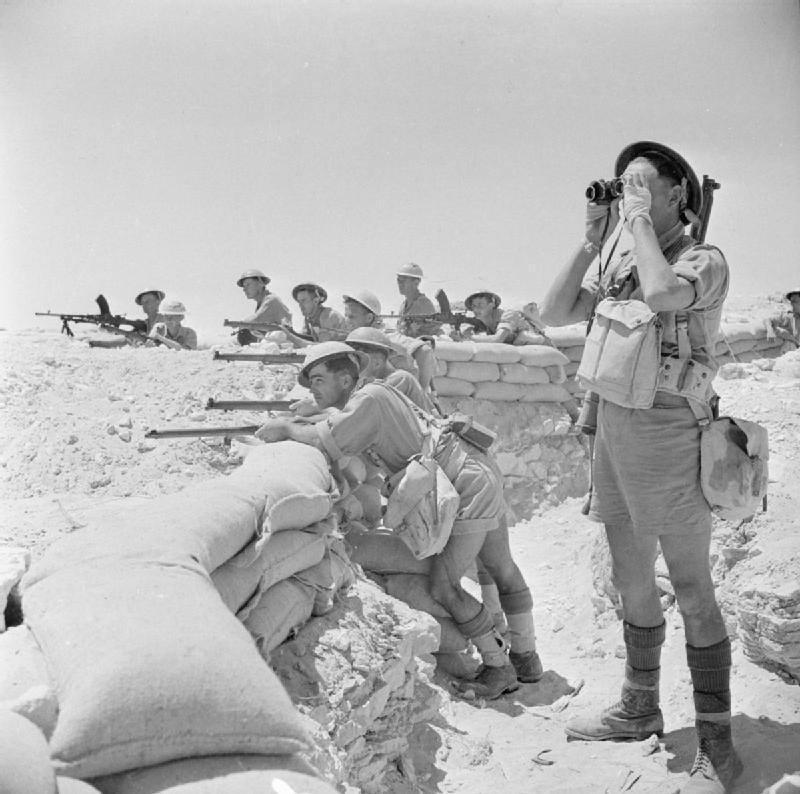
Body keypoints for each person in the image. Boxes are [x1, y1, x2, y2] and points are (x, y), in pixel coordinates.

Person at [540, 141, 738, 794]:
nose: (627, 196)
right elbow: (556, 311)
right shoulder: (621, 249)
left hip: (671, 434)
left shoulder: (700, 260)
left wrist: (631, 226)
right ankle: (639, 704)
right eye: (621, 186)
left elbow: (660, 294)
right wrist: (592, 235)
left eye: (639, 186)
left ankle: (717, 743)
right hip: (614, 432)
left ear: (678, 193)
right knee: (631, 579)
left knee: (689, 588)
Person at [254, 342, 543, 699]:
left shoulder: (369, 400)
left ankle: (499, 667)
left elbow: (321, 439)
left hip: (465, 484)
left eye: (317, 379)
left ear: (345, 378)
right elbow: (332, 430)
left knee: (443, 584)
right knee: (501, 567)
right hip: (473, 470)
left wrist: (284, 428)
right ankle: (527, 657)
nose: (312, 388)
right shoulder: (369, 398)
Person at [342, 290, 436, 394]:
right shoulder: (363, 338)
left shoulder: (385, 337)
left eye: (351, 317)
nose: (346, 321)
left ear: (369, 318)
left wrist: (422, 392)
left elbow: (425, 351)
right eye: (345, 315)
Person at [345, 327, 434, 413]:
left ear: (377, 363)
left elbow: (361, 414)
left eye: (357, 360)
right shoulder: (364, 382)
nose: (351, 364)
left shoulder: (399, 379)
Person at [460, 291, 544, 345]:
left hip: (540, 342)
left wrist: (470, 338)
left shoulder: (508, 315)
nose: (476, 309)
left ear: (492, 304)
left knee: (523, 337)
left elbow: (497, 339)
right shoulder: (481, 323)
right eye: (473, 306)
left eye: (480, 304)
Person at [235, 269, 292, 345]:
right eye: (244, 286)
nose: (244, 289)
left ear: (260, 283)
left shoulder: (271, 300)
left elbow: (255, 319)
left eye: (248, 284)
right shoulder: (262, 303)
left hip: (284, 340)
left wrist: (239, 324)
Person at [395, 263, 442, 338]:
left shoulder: (424, 304)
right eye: (398, 280)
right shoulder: (404, 305)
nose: (400, 284)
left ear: (416, 282)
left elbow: (433, 332)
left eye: (403, 281)